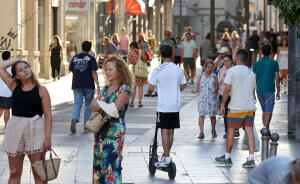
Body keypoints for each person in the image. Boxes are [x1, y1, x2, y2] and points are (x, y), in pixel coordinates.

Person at [0, 59, 52, 184]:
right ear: (17, 75)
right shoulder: (13, 86)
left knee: (39, 173)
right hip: (15, 131)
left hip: (36, 132)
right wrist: (17, 60)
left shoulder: (42, 90)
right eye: (21, 70)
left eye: (26, 67)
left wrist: (48, 138)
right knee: (14, 172)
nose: (25, 70)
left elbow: (48, 116)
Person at [90, 56, 132, 183]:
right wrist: (103, 107)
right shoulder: (105, 89)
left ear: (119, 71)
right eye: (106, 70)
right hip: (100, 131)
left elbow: (114, 109)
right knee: (99, 166)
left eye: (110, 69)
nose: (107, 72)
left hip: (114, 133)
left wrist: (100, 106)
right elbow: (92, 105)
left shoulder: (125, 89)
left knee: (112, 165)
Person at [215, 49, 257, 168]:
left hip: (236, 107)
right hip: (249, 107)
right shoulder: (251, 72)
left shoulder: (232, 71)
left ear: (237, 58)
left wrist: (223, 104)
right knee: (249, 131)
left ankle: (227, 157)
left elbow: (227, 89)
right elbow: (253, 91)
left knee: (231, 131)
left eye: (234, 57)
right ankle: (251, 158)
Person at [146, 45, 186, 167]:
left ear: (161, 54)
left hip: (163, 106)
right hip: (174, 105)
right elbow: (182, 86)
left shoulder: (158, 70)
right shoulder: (178, 70)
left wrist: (149, 93)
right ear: (172, 54)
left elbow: (151, 87)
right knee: (171, 131)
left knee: (163, 130)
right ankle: (166, 155)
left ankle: (167, 157)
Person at [69, 41, 99, 134]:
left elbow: (71, 70)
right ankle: (86, 126)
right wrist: (97, 84)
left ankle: (75, 117)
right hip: (89, 84)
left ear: (81, 47)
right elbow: (94, 72)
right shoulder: (91, 58)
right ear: (90, 49)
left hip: (77, 84)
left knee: (77, 103)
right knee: (88, 104)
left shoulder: (75, 57)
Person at [253, 45, 280, 129]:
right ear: (271, 52)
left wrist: (253, 92)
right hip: (270, 89)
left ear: (261, 52)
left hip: (260, 90)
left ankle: (265, 129)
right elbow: (277, 78)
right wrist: (278, 91)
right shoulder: (274, 63)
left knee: (264, 110)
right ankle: (265, 128)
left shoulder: (256, 64)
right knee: (269, 111)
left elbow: (254, 78)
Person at [192, 60, 218, 139]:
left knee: (212, 116)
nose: (210, 69)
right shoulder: (200, 76)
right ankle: (201, 132)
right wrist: (195, 90)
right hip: (202, 99)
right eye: (208, 67)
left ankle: (213, 130)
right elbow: (198, 86)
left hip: (211, 99)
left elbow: (217, 86)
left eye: (211, 67)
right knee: (201, 115)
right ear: (205, 67)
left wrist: (215, 89)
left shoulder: (214, 76)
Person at [217, 54, 239, 139]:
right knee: (225, 114)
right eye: (224, 61)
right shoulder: (221, 70)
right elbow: (219, 81)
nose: (226, 63)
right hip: (223, 94)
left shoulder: (235, 69)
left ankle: (236, 130)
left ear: (231, 60)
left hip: (233, 94)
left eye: (227, 61)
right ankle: (227, 131)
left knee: (234, 112)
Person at [130, 33, 150, 108]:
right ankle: (139, 102)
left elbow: (129, 62)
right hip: (140, 71)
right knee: (140, 87)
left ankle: (132, 102)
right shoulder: (141, 52)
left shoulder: (131, 52)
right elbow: (145, 59)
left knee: (133, 87)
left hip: (134, 71)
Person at [0, 51, 12, 127]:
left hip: (0, 92)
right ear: (9, 57)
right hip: (7, 92)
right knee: (7, 110)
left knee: (1, 109)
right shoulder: (11, 67)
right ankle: (6, 127)